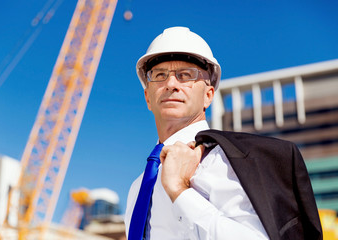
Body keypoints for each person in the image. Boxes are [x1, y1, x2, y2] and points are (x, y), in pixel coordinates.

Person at [124, 26, 322, 240]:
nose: (171, 84)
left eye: (185, 75)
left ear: (208, 95)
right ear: (147, 97)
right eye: (159, 75)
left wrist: (180, 192)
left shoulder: (231, 162)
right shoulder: (138, 189)